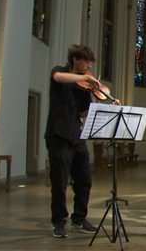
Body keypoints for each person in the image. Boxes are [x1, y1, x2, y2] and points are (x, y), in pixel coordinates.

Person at [45, 44, 105, 238]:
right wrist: (84, 78)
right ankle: (58, 221)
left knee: (84, 180)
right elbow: (58, 78)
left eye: (89, 62)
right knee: (59, 182)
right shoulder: (60, 72)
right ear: (75, 60)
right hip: (58, 135)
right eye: (86, 61)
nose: (88, 65)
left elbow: (83, 113)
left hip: (76, 135)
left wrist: (100, 100)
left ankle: (79, 218)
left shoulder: (83, 89)